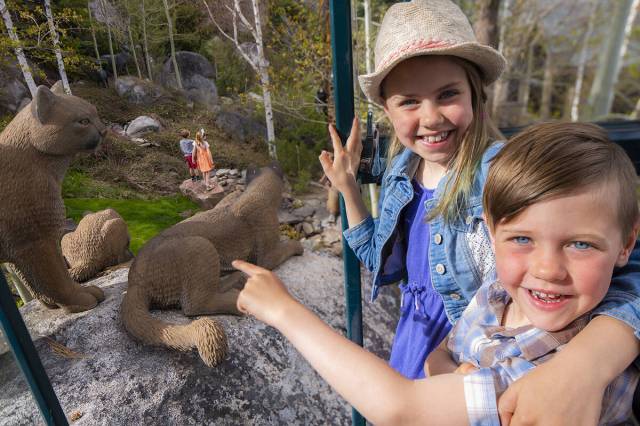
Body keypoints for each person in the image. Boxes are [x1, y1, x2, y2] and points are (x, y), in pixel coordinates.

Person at [315, 0, 640, 423]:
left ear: (475, 95)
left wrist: (590, 359)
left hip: (484, 350)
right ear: (389, 113)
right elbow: (383, 263)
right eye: (409, 102)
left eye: (447, 94)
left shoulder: (500, 171)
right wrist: (348, 191)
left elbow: (619, 262)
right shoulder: (401, 171)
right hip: (421, 340)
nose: (430, 117)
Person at [233, 122, 640, 425]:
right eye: (521, 239)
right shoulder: (497, 293)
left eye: (580, 244)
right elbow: (446, 344)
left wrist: (284, 311)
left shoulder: (545, 373)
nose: (548, 269)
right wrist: (447, 368)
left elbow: (399, 407)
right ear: (490, 228)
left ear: (627, 243)